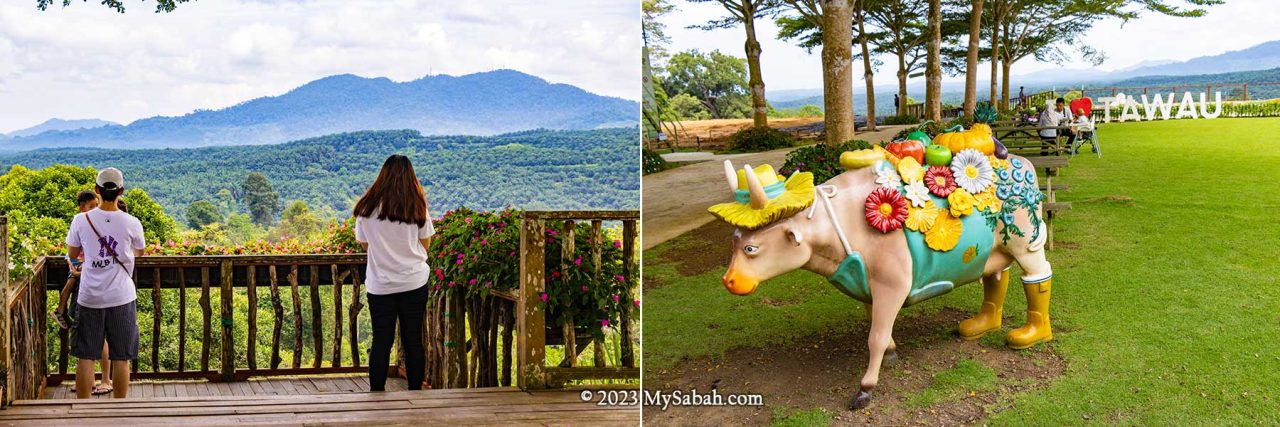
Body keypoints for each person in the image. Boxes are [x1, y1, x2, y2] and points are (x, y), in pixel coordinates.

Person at [353, 154, 434, 392]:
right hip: (414, 281)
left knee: (381, 341)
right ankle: (415, 392)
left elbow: (365, 244)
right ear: (411, 177)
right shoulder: (417, 206)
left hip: (381, 284)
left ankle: (377, 393)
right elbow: (426, 243)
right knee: (413, 341)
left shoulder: (366, 209)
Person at [64, 167, 144, 399]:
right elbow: (139, 252)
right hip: (122, 296)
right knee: (121, 356)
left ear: (97, 190)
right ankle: (118, 411)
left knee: (86, 355)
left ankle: (83, 411)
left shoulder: (81, 220)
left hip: (89, 296)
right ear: (121, 191)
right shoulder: (131, 222)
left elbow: (72, 253)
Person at [54, 191, 114, 396]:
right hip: (94, 285)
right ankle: (88, 381)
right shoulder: (86, 223)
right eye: (91, 206)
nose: (95, 209)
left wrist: (79, 271)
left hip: (90, 286)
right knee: (89, 336)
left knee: (97, 336)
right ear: (82, 207)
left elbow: (77, 254)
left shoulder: (84, 223)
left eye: (96, 205)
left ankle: (103, 380)